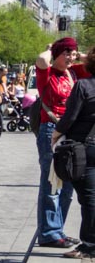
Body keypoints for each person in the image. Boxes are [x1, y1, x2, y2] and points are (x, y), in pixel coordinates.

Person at [34, 37, 92, 248]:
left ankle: (58, 229)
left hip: (72, 132)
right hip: (51, 130)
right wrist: (50, 48)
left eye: (72, 53)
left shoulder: (75, 71)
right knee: (51, 182)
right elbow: (41, 59)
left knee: (68, 181)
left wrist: (79, 54)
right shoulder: (47, 74)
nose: (69, 57)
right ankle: (48, 232)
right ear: (56, 55)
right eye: (65, 53)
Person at [53, 45, 95, 258]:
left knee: (88, 198)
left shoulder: (83, 86)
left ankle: (88, 245)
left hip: (84, 147)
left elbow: (70, 117)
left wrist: (56, 134)